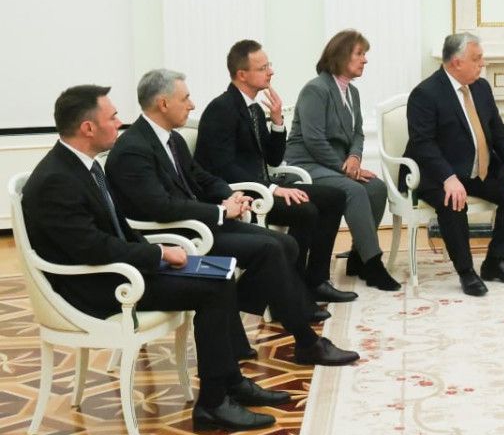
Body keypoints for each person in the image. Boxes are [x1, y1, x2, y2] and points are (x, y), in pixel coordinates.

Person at [23, 85, 291, 431]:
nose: (119, 123)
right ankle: (213, 404)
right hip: (93, 287)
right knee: (212, 289)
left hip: (116, 272)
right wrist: (159, 253)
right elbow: (92, 248)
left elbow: (116, 229)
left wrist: (158, 254)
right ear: (88, 128)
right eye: (112, 117)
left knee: (221, 273)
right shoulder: (57, 179)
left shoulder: (83, 166)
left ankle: (230, 383)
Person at [105, 69, 359, 367]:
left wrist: (229, 195)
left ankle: (230, 307)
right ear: (163, 103)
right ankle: (306, 342)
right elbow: (161, 208)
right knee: (270, 249)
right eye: (185, 98)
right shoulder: (133, 149)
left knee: (286, 244)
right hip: (177, 236)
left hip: (199, 225)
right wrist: (220, 211)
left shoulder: (170, 139)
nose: (192, 105)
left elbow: (201, 176)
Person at [195, 40, 355, 305]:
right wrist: (272, 189)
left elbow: (274, 157)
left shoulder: (255, 108)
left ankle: (316, 281)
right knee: (306, 210)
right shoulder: (221, 109)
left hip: (264, 186)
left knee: (334, 197)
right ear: (242, 74)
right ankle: (292, 294)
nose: (271, 72)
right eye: (263, 68)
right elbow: (224, 167)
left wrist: (278, 120)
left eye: (269, 65)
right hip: (241, 194)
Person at [405, 32, 504, 297]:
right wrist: (448, 178)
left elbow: (498, 130)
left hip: (477, 169)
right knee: (453, 201)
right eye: (477, 59)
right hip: (437, 173)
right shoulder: (425, 94)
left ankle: (496, 261)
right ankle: (466, 271)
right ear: (457, 62)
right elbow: (423, 144)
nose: (482, 64)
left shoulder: (481, 87)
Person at [286, 30, 401, 291]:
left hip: (335, 165)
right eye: (359, 54)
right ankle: (374, 265)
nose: (365, 60)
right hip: (305, 165)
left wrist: (355, 157)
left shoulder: (352, 92)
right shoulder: (316, 89)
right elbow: (314, 140)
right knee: (354, 190)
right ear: (340, 56)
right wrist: (345, 169)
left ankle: (358, 257)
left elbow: (358, 133)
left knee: (376, 188)